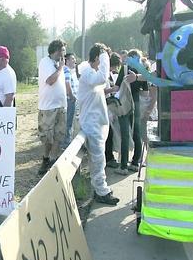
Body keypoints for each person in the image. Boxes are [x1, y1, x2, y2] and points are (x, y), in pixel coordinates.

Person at [77, 43, 119, 205]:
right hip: (91, 123)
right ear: (97, 58)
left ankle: (99, 189)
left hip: (98, 121)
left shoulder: (91, 72)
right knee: (98, 159)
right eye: (103, 59)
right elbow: (101, 79)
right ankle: (101, 191)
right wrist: (105, 56)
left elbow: (100, 87)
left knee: (98, 160)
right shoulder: (87, 72)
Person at [114, 49, 148, 175]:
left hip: (124, 104)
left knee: (124, 134)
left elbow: (117, 88)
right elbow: (146, 93)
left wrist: (105, 91)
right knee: (137, 133)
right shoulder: (142, 71)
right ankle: (135, 163)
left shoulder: (124, 69)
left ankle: (123, 166)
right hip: (137, 103)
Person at [37, 39, 67, 175]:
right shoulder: (45, 62)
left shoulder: (58, 64)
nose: (64, 53)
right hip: (48, 107)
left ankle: (53, 160)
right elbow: (50, 81)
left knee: (58, 135)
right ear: (57, 50)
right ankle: (45, 158)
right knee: (47, 137)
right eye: (63, 50)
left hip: (61, 105)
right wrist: (60, 68)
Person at [62, 52, 79, 148]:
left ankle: (67, 141)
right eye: (72, 59)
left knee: (69, 121)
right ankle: (66, 142)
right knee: (68, 122)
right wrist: (72, 96)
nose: (74, 61)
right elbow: (67, 84)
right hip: (69, 100)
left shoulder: (69, 70)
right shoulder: (67, 70)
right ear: (67, 61)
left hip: (70, 99)